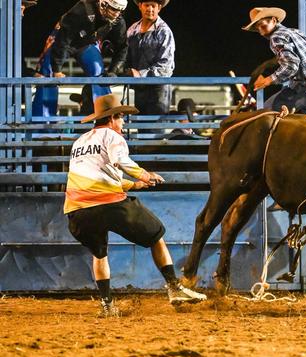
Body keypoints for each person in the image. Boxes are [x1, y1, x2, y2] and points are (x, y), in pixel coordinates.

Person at [64, 94, 206, 316]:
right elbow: (122, 161)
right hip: (108, 204)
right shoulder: (113, 137)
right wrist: (146, 175)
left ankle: (107, 305)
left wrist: (134, 184)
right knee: (156, 234)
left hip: (77, 211)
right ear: (112, 118)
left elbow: (97, 175)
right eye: (121, 118)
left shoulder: (79, 142)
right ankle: (174, 287)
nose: (123, 123)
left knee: (99, 254)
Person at [33, 0, 129, 117]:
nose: (116, 14)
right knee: (48, 75)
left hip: (86, 43)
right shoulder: (82, 10)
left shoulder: (118, 22)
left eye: (119, 10)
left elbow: (122, 47)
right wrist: (57, 69)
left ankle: (106, 119)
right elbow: (63, 40)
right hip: (63, 38)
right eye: (114, 9)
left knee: (100, 75)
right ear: (103, 4)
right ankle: (43, 127)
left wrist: (113, 71)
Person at [243, 7, 306, 119]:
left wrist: (268, 80)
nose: (261, 32)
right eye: (258, 28)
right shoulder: (294, 32)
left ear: (274, 20)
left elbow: (291, 65)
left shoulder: (276, 37)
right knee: (302, 125)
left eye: (263, 26)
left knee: (267, 112)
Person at [126, 0, 175, 131]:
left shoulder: (164, 31)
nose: (150, 9)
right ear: (140, 6)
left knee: (155, 131)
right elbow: (126, 55)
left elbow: (166, 67)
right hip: (140, 89)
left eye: (153, 6)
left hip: (158, 90)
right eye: (147, 5)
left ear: (159, 8)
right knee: (141, 128)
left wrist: (140, 74)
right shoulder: (132, 30)